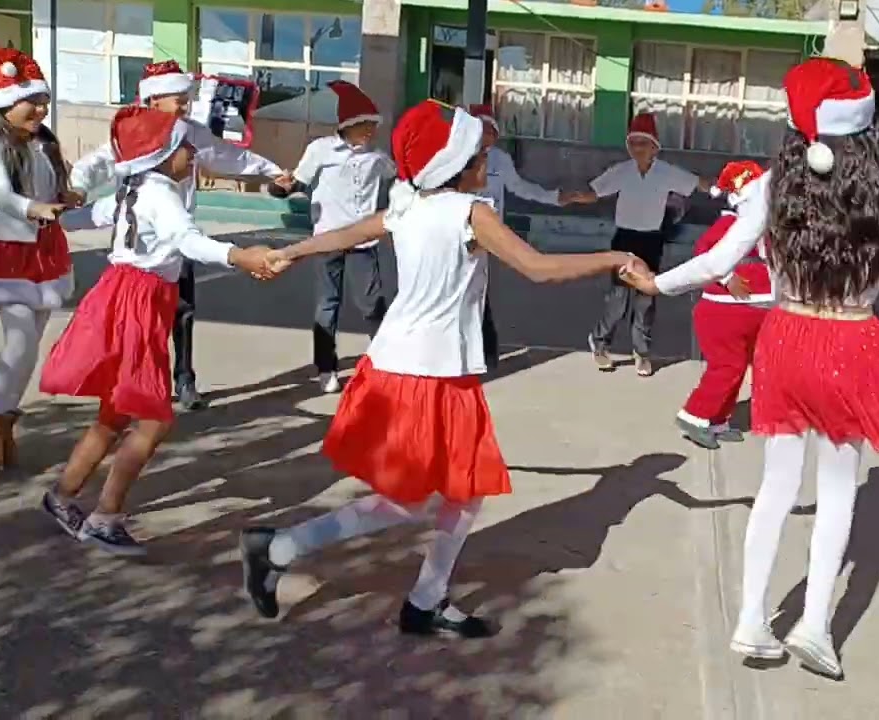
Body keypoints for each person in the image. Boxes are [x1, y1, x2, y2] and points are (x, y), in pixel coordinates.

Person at [237, 101, 643, 634]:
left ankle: (425, 600)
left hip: (416, 368)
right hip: (423, 373)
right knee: (408, 504)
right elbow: (537, 268)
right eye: (480, 153)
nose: (487, 158)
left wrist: (292, 252)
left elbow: (348, 233)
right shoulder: (470, 213)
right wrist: (615, 259)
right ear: (458, 165)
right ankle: (280, 547)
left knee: (462, 493)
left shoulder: (408, 204)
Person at [621, 59, 879, 679]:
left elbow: (719, 261)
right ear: (865, 123)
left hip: (786, 336)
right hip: (851, 340)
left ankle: (750, 618)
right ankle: (816, 626)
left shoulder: (770, 185)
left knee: (777, 484)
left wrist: (657, 282)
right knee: (840, 489)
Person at [38, 107, 275, 553]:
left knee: (114, 415)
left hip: (121, 296)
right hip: (140, 303)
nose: (192, 153)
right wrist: (238, 256)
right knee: (153, 419)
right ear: (163, 154)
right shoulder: (163, 192)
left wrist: (55, 215)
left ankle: (62, 496)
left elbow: (90, 217)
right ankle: (105, 517)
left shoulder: (134, 187)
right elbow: (187, 239)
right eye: (185, 146)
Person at [69, 60, 290, 411]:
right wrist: (76, 192)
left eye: (186, 99)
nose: (185, 107)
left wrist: (274, 172)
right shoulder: (135, 136)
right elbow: (95, 168)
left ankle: (180, 380)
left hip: (178, 235)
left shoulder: (192, 133)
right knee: (135, 326)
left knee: (182, 310)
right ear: (154, 102)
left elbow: (230, 157)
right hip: (142, 247)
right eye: (178, 100)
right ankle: (130, 389)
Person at [0, 48, 78, 475]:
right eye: (33, 102)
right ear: (5, 103)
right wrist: (32, 209)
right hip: (7, 249)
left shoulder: (43, 142)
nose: (42, 109)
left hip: (44, 248)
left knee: (29, 345)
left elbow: (57, 186)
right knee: (20, 338)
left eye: (44, 101)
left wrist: (66, 197)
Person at [566, 113, 711, 377]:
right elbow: (595, 193)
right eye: (633, 143)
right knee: (618, 301)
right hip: (623, 241)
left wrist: (727, 187)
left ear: (654, 147)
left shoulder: (667, 173)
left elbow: (698, 183)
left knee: (645, 301)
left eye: (643, 143)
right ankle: (600, 344)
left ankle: (642, 354)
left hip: (650, 241)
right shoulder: (621, 171)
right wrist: (572, 197)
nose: (637, 149)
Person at [274, 81, 395, 393]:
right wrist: (282, 187)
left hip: (362, 242)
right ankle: (326, 368)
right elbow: (298, 182)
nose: (370, 131)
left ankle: (386, 361)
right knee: (328, 304)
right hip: (327, 239)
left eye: (373, 125)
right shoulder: (321, 150)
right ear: (348, 125)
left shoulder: (378, 157)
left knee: (371, 304)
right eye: (365, 125)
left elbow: (398, 179)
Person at [675, 160, 771, 450]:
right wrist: (728, 277)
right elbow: (704, 252)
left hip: (752, 308)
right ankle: (694, 415)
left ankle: (717, 420)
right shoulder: (730, 224)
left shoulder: (760, 224)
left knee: (737, 367)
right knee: (727, 366)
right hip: (723, 310)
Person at [468, 104, 569, 369]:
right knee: (460, 291)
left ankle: (486, 353)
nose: (485, 136)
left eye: (490, 130)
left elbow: (520, 188)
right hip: (459, 229)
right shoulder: (459, 154)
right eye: (480, 129)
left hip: (487, 234)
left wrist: (554, 197)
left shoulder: (501, 159)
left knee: (478, 292)